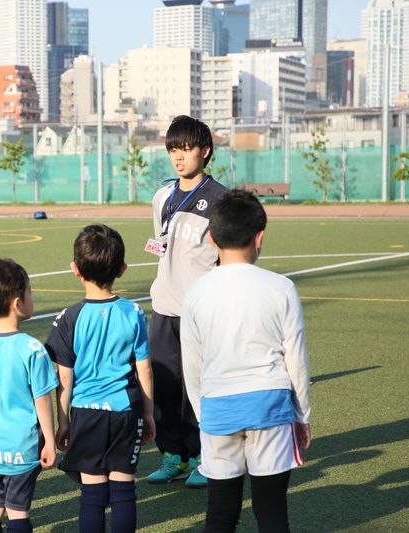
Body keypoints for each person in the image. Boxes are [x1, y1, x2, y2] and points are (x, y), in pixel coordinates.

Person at [181, 190, 311, 533]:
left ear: (211, 238)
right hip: (270, 406)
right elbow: (296, 359)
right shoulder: (281, 287)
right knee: (271, 512)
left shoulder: (195, 291)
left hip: (217, 409)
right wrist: (302, 416)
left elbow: (191, 363)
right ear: (260, 237)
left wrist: (202, 415)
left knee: (220, 515)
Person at [45, 224, 155, 533]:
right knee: (123, 492)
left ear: (75, 269)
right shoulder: (133, 312)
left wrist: (63, 422)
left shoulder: (69, 317)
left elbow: (64, 378)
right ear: (122, 269)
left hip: (86, 413)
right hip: (125, 411)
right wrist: (148, 413)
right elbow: (145, 369)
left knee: (92, 495)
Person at [144, 115, 227, 487]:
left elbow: (227, 258)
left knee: (198, 387)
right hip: (164, 307)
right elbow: (161, 245)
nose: (178, 157)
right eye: (173, 150)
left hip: (201, 310)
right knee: (164, 385)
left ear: (204, 151)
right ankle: (172, 456)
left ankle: (202, 456)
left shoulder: (221, 199)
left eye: (186, 149)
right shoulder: (162, 196)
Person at [0, 258, 58, 533]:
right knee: (17, 511)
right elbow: (42, 400)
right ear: (17, 303)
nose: (32, 297)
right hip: (23, 445)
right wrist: (50, 442)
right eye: (30, 292)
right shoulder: (31, 348)